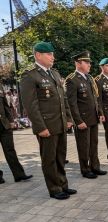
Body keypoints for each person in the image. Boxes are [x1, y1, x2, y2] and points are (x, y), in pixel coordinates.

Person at [20, 41, 75, 200]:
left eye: (52, 54)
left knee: (60, 157)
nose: (53, 57)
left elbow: (63, 99)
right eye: (49, 54)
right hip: (47, 126)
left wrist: (69, 118)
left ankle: (63, 184)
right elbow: (31, 105)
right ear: (38, 55)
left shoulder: (55, 74)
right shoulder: (30, 75)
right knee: (49, 159)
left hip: (60, 123)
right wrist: (40, 127)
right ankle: (54, 189)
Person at [66, 51, 107, 179]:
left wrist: (100, 113)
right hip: (83, 120)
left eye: (89, 62)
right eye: (87, 62)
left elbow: (95, 98)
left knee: (93, 144)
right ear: (78, 63)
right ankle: (85, 169)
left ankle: (95, 166)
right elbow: (71, 104)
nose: (89, 65)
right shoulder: (72, 80)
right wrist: (78, 121)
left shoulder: (89, 78)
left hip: (93, 118)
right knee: (83, 146)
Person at [0, 83, 33, 184]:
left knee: (10, 150)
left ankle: (19, 175)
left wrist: (11, 120)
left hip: (4, 125)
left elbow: (6, 105)